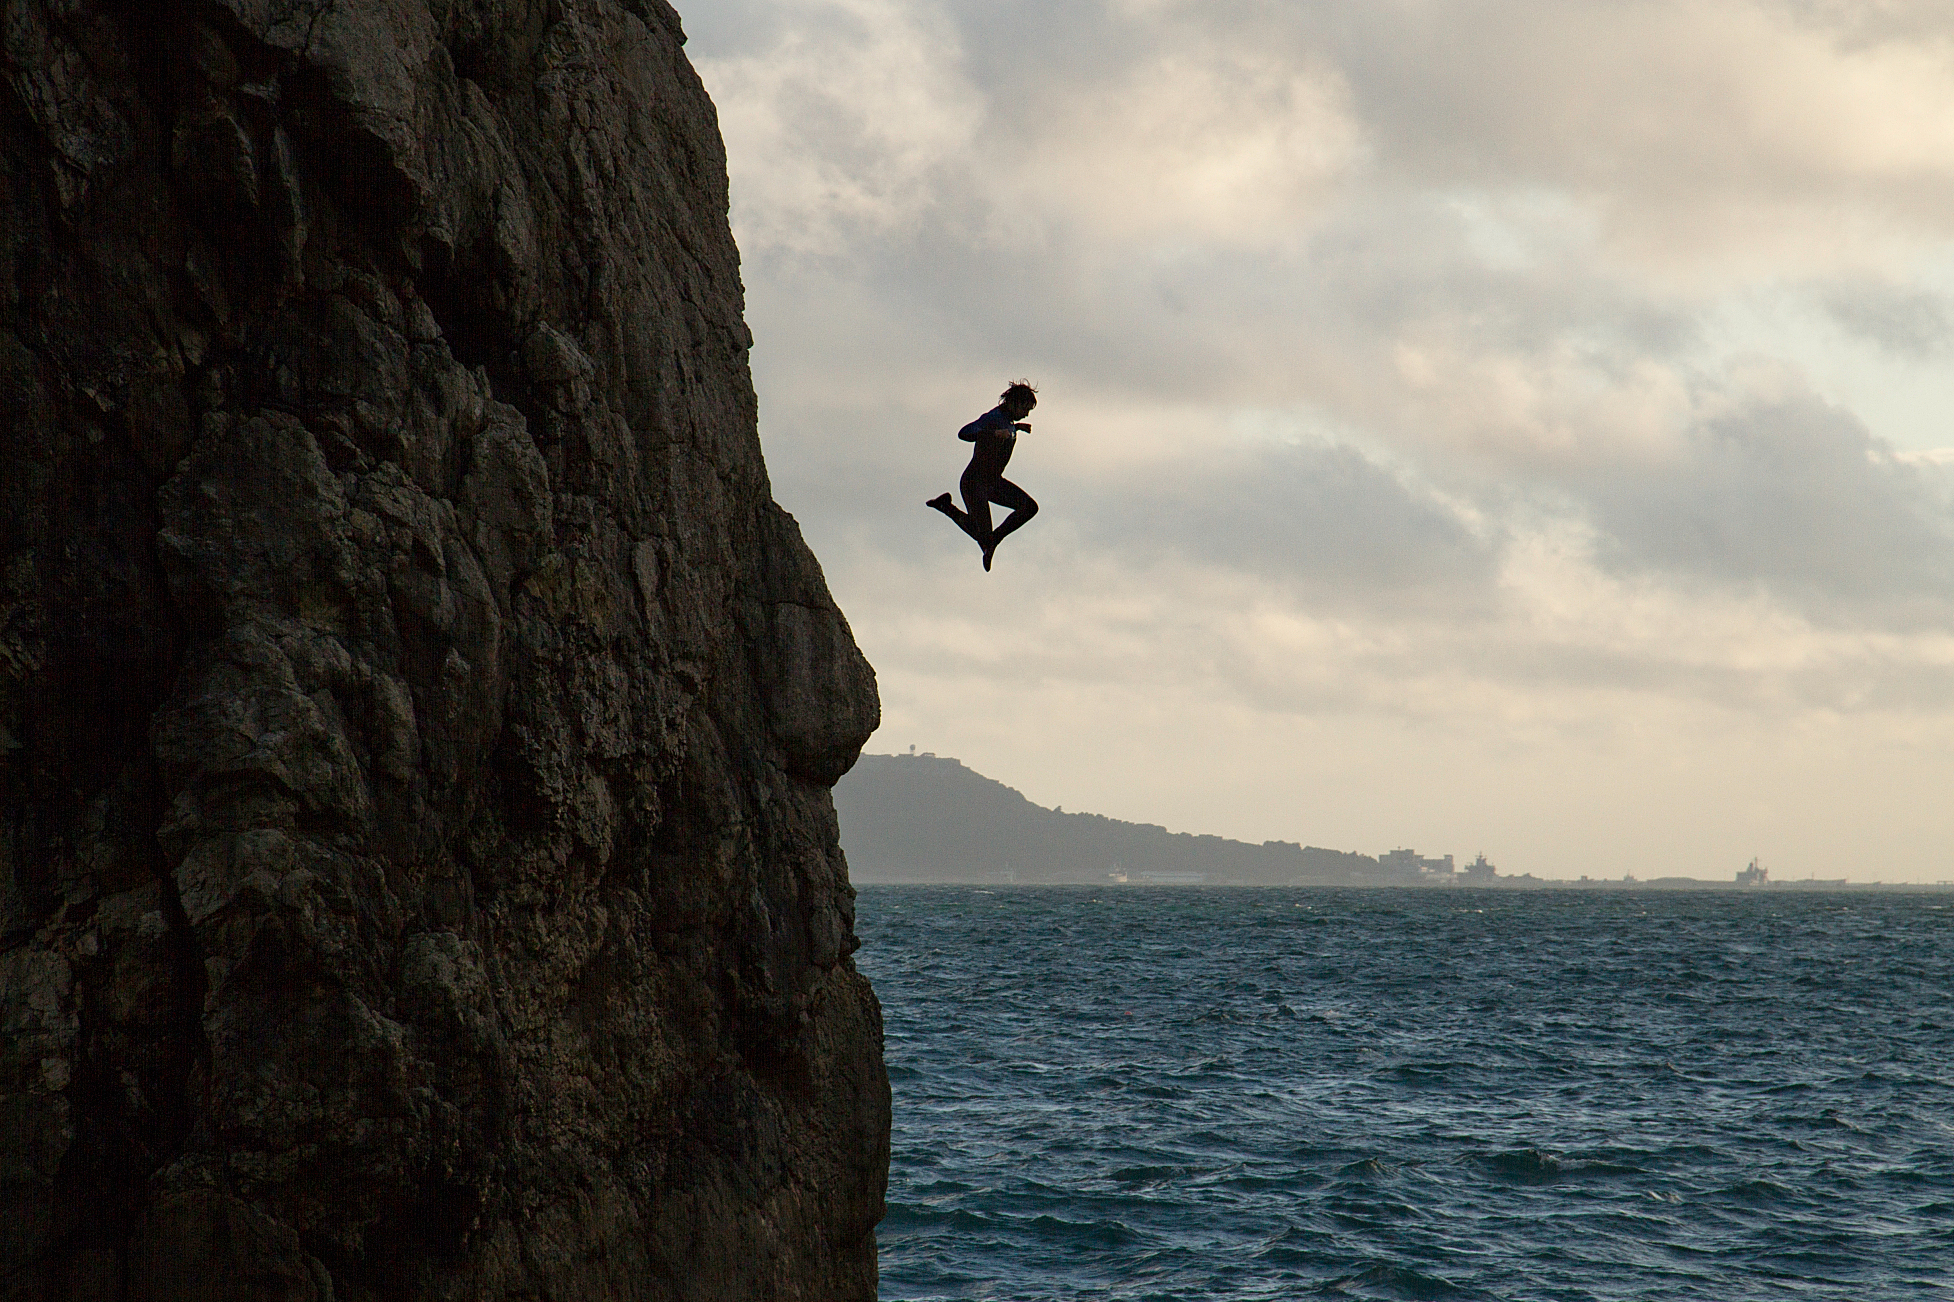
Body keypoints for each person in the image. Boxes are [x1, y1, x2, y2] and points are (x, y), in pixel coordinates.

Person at [927, 381, 1040, 571]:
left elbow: (1006, 429)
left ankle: (992, 541)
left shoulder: (1008, 421)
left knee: (1029, 508)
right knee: (983, 537)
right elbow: (965, 433)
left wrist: (1017, 428)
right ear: (1014, 403)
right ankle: (947, 508)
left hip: (994, 483)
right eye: (1025, 409)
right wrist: (994, 433)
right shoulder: (993, 418)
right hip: (974, 483)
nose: (1027, 414)